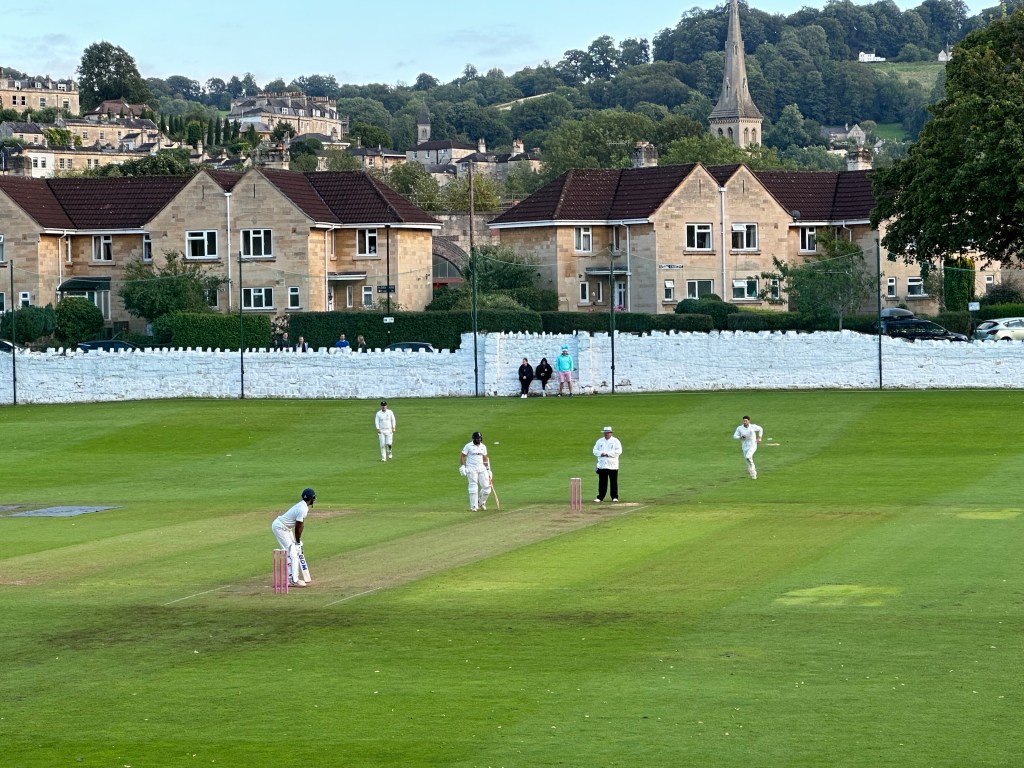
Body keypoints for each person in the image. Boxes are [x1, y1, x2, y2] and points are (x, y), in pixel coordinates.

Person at [270, 488, 316, 587]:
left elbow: (300, 525)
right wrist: (298, 541)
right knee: (293, 553)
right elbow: (299, 527)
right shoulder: (302, 509)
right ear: (312, 499)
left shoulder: (303, 506)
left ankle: (292, 578)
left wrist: (297, 542)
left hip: (286, 528)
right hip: (280, 528)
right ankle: (293, 580)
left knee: (292, 551)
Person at [459, 431, 492, 512]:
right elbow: (462, 456)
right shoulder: (468, 446)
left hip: (482, 467)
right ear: (474, 438)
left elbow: (485, 457)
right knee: (473, 487)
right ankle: (473, 506)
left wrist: (488, 469)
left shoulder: (483, 446)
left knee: (487, 487)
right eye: (477, 438)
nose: (479, 440)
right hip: (471, 468)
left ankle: (481, 503)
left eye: (480, 438)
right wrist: (463, 466)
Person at [592, 426, 623, 503]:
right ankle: (600, 497)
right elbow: (595, 451)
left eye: (608, 433)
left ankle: (614, 497)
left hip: (612, 465)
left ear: (611, 433)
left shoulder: (616, 441)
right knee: (602, 482)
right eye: (605, 433)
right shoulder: (599, 441)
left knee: (613, 482)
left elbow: (619, 451)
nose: (606, 434)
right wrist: (601, 453)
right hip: (602, 465)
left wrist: (608, 454)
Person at [733, 415, 764, 479]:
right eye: (744, 421)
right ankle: (753, 474)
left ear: (748, 421)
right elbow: (735, 436)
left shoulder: (752, 427)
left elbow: (760, 429)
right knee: (748, 461)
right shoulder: (740, 428)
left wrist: (759, 437)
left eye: (746, 421)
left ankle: (753, 472)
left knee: (748, 456)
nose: (744, 422)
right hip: (744, 446)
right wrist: (740, 437)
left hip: (753, 445)